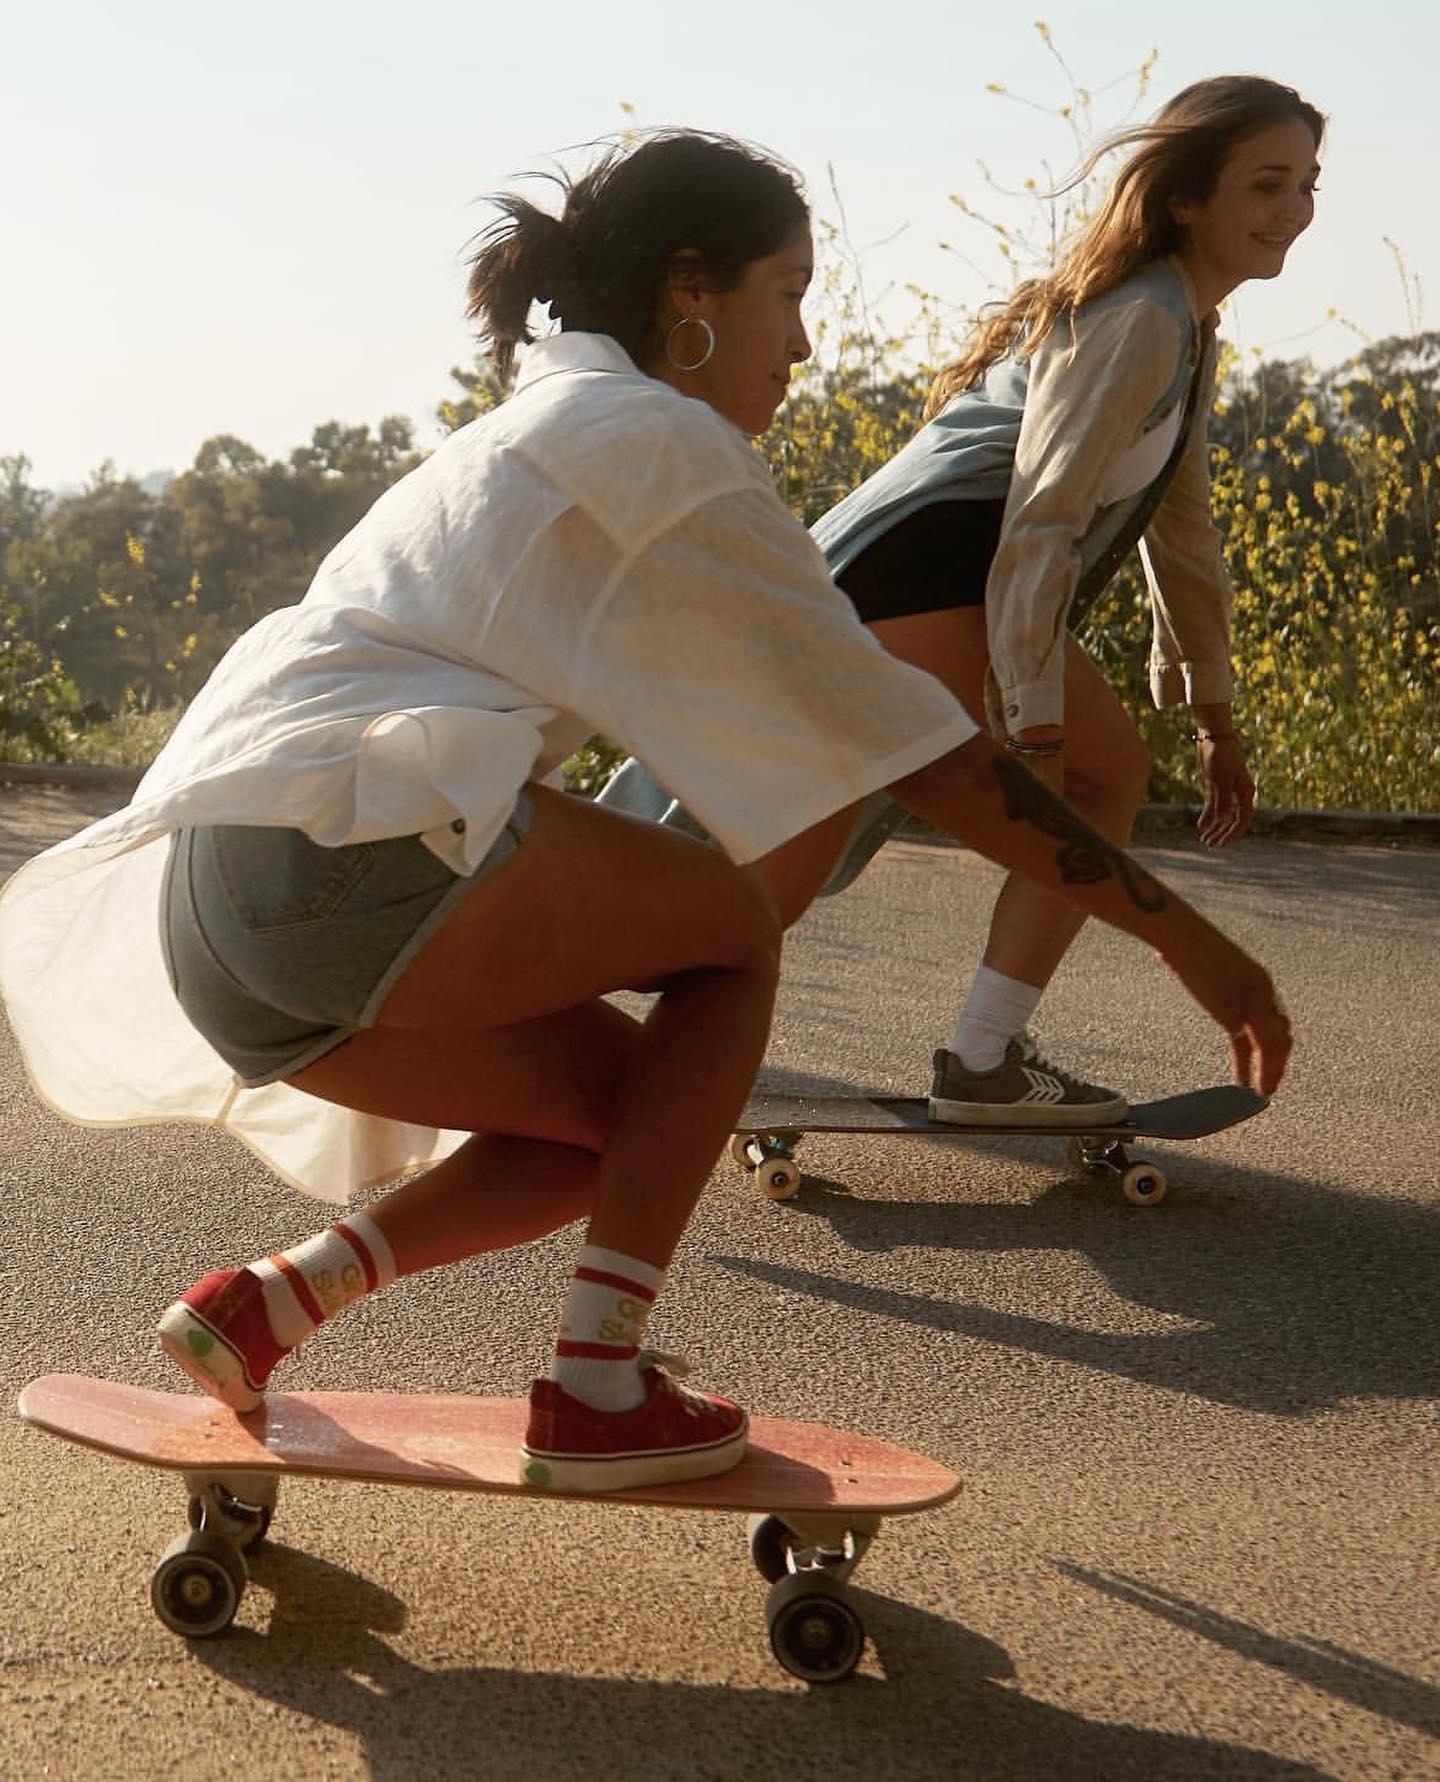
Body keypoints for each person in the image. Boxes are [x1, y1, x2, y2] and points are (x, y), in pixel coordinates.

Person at [0, 130, 1290, 1499]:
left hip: (221, 912)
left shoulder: (541, 426)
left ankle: (268, 1302)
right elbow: (938, 763)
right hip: (346, 856)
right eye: (788, 294)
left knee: (632, 1122)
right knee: (732, 933)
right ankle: (599, 1382)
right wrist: (1196, 945)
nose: (801, 345)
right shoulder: (657, 443)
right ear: (694, 295)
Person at [810, 74, 1324, 1127]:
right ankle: (983, 1059)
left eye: (1308, 185)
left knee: (798, 832)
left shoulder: (1181, 323)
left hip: (937, 576)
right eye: (1267, 184)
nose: (1294, 211)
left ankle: (981, 1055)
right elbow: (1041, 522)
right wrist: (1034, 716)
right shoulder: (1140, 320)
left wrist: (1214, 714)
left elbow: (1181, 534)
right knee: (1084, 779)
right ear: (1186, 198)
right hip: (923, 571)